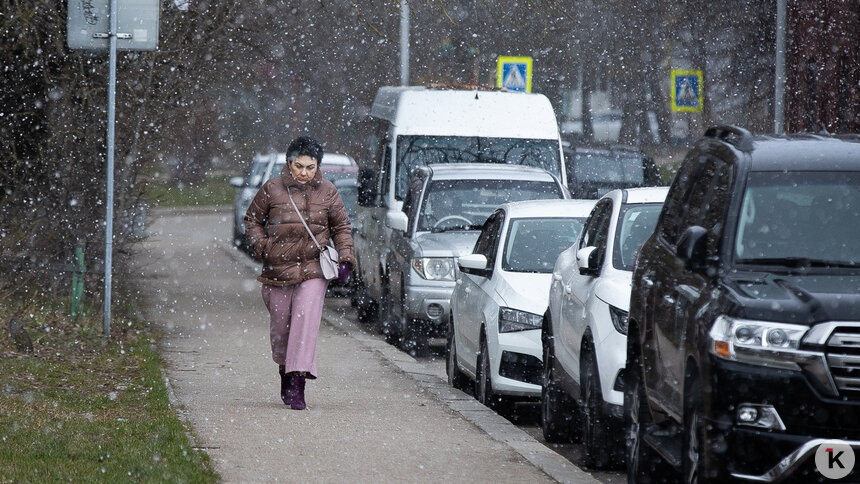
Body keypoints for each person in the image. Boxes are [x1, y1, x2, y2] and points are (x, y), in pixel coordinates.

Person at [244, 136, 355, 410]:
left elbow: (342, 227)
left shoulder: (328, 191)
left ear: (318, 166)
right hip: (277, 270)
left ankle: (298, 381)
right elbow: (252, 221)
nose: (304, 173)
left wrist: (345, 259)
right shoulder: (271, 189)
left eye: (310, 166)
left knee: (305, 321)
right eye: (299, 166)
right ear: (289, 163)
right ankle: (285, 369)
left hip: (313, 269)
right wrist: (263, 246)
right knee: (281, 329)